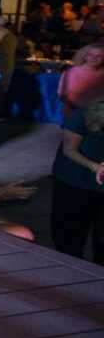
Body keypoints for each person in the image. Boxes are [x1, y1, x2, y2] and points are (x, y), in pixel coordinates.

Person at [51, 98, 104, 264]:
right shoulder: (84, 113)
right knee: (69, 239)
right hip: (74, 181)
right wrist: (95, 167)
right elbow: (69, 150)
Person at [58, 43, 104, 120]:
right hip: (73, 110)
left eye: (98, 56)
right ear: (85, 56)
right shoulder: (70, 72)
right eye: (90, 55)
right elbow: (62, 94)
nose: (94, 58)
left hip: (97, 114)